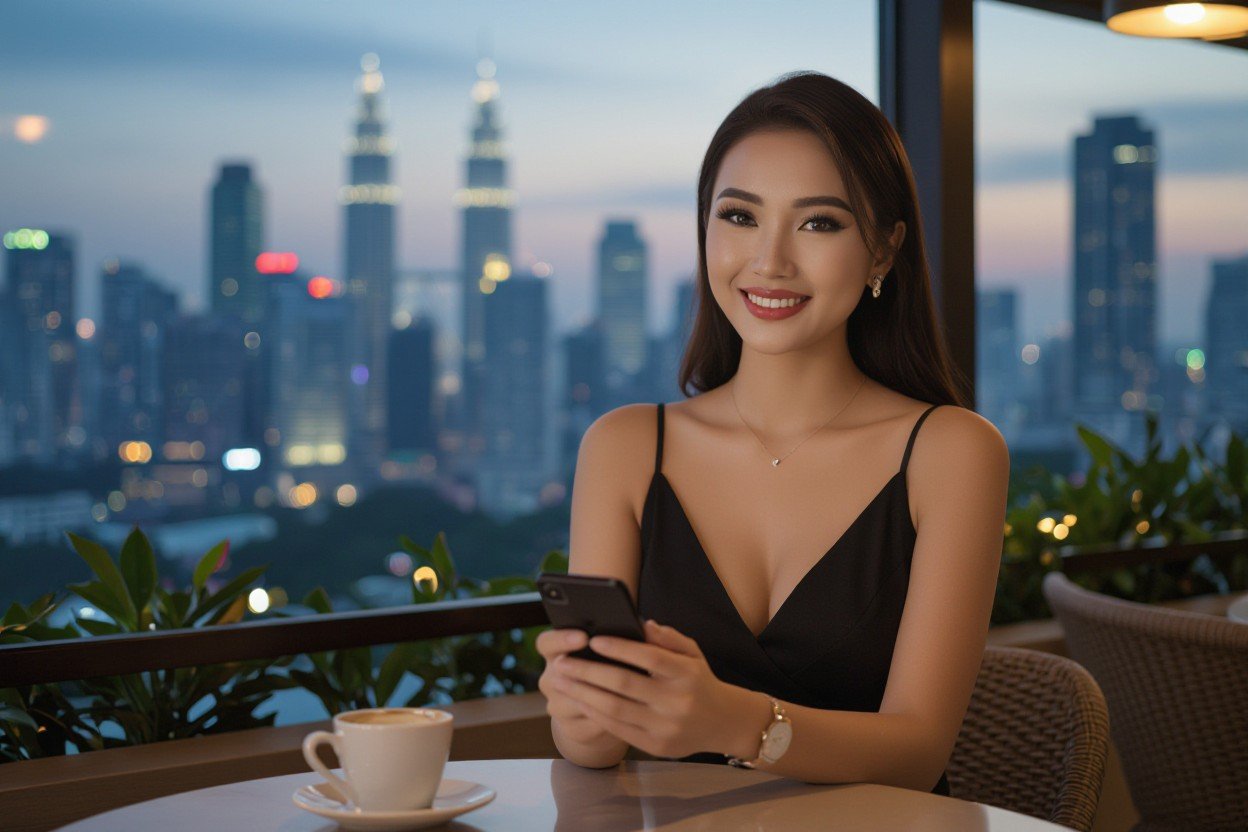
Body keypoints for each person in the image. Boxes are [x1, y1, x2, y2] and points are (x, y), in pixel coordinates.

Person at [535, 70, 1009, 795]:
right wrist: (584, 706)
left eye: (819, 223)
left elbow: (918, 754)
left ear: (884, 251)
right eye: (739, 216)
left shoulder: (951, 452)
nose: (770, 261)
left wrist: (733, 721)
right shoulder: (623, 448)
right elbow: (591, 749)